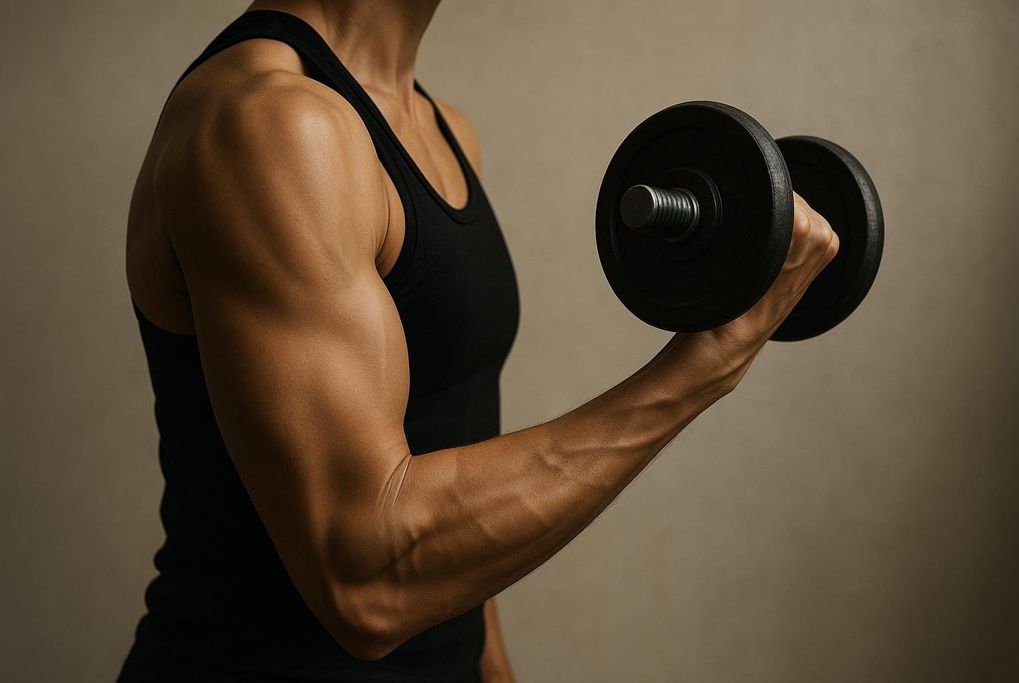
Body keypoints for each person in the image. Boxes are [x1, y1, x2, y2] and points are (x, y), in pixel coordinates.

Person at [119, 1, 839, 681]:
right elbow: (364, 578)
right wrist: (702, 367)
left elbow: (448, 441)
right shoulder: (272, 126)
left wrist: (491, 666)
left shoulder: (438, 128)